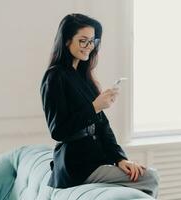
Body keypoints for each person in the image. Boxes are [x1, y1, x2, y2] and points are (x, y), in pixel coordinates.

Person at [40, 13, 160, 198]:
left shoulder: (83, 76)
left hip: (96, 160)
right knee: (150, 177)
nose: (89, 46)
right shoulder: (55, 77)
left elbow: (103, 125)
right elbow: (59, 131)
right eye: (82, 41)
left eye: (92, 41)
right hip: (77, 166)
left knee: (143, 173)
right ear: (66, 41)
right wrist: (94, 107)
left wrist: (120, 159)